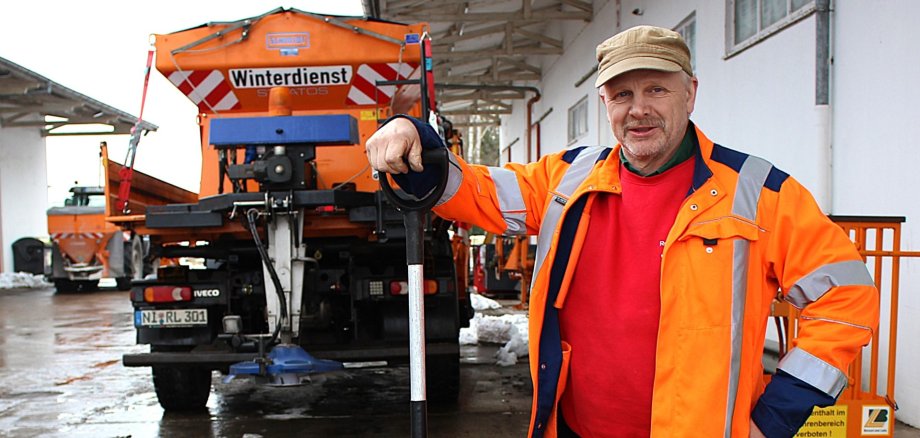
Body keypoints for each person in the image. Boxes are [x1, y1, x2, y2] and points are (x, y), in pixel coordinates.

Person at [365, 25, 879, 438]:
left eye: (657, 88)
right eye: (622, 94)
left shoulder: (760, 193)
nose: (639, 109)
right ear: (605, 104)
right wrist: (416, 141)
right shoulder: (568, 178)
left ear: (690, 92)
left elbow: (847, 300)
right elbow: (474, 191)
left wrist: (779, 415)